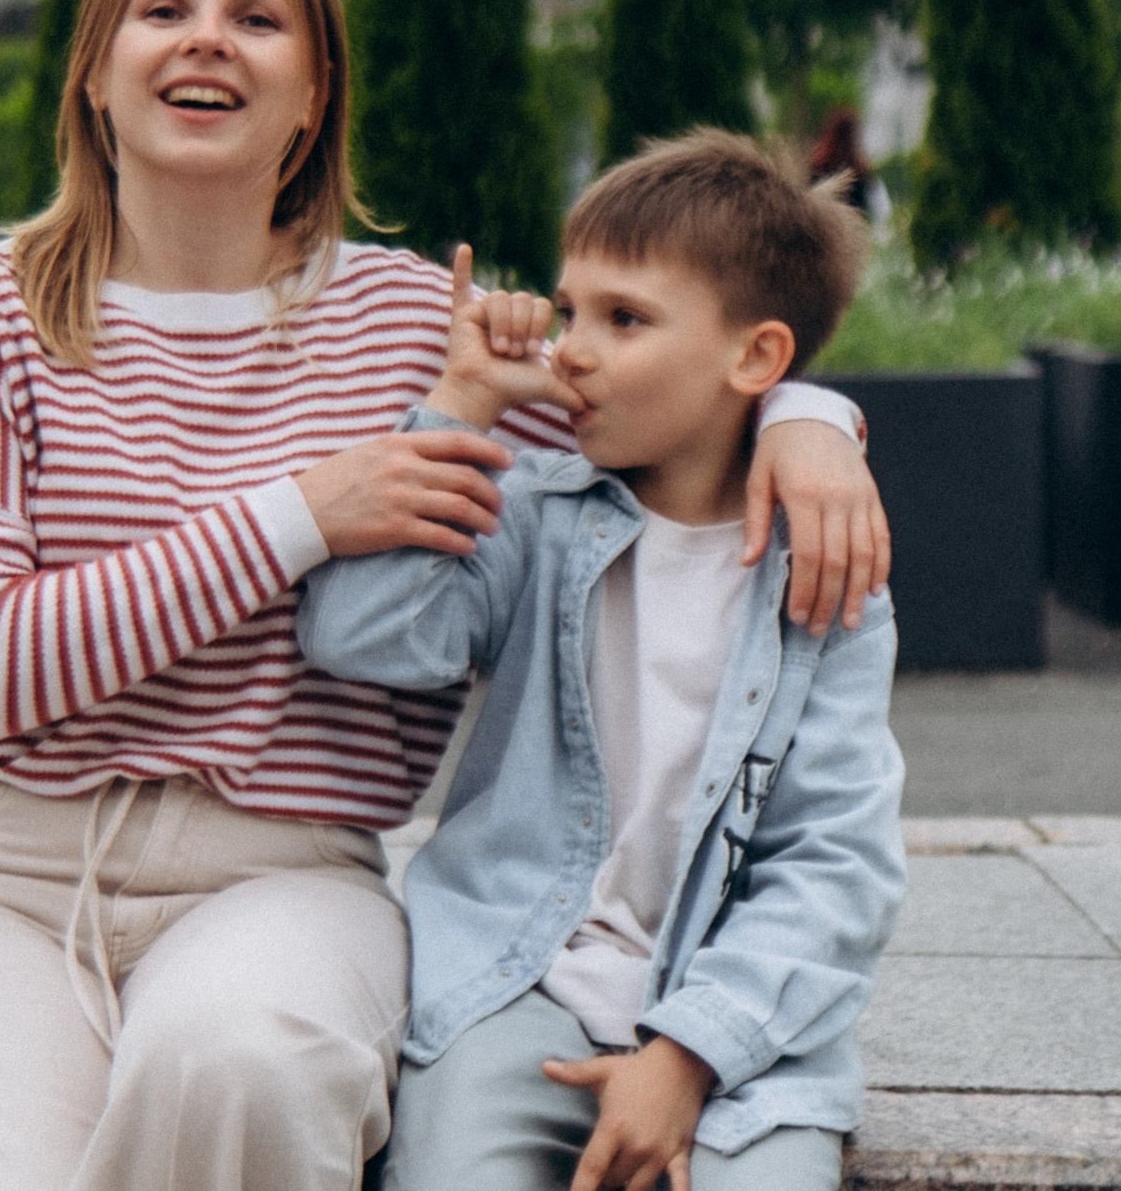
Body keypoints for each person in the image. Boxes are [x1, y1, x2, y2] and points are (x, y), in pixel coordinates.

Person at [0, 0, 889, 1191]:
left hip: (281, 877)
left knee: (244, 1065)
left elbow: (659, 389)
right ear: (96, 68)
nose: (206, 37)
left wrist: (808, 414)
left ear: (314, 93)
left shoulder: (415, 324)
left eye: (256, 17)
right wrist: (303, 516)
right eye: (165, 8)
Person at [299, 132, 906, 1191]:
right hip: (511, 984)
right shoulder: (534, 512)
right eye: (569, 309)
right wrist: (461, 403)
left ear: (756, 360)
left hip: (735, 1038)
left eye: (623, 319)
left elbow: (836, 864)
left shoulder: (824, 576)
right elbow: (361, 636)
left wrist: (688, 1053)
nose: (571, 349)